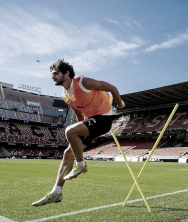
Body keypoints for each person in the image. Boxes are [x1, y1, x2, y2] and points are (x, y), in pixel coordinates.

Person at [32, 59, 125, 206]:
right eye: (52, 74)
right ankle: (56, 192)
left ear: (66, 73)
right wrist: (79, 129)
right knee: (68, 153)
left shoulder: (83, 82)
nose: (52, 77)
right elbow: (79, 115)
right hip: (91, 122)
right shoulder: (66, 96)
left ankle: (81, 165)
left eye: (55, 73)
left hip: (103, 119)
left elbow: (112, 87)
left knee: (69, 131)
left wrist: (119, 104)